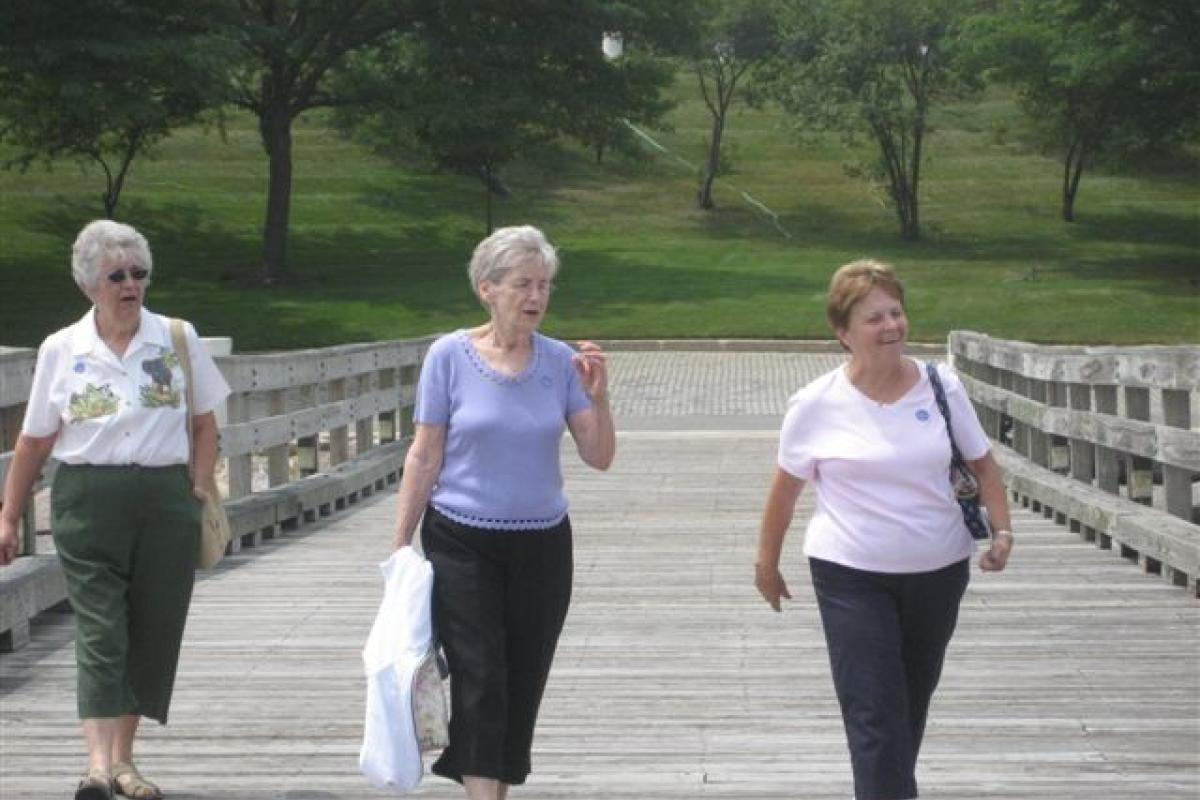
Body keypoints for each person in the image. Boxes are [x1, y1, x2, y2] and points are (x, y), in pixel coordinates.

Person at [754, 259, 1013, 800]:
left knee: (907, 711)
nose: (892, 325)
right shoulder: (815, 404)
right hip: (850, 574)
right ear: (843, 333)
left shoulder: (942, 386)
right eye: (875, 318)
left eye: (897, 312)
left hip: (939, 571)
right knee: (875, 716)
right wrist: (766, 564)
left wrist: (1002, 533)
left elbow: (983, 464)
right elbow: (785, 490)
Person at [0, 220, 230, 800]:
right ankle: (98, 767)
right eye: (117, 276)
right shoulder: (62, 348)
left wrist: (198, 489)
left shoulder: (176, 337)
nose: (131, 285)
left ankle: (125, 763)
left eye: (139, 273)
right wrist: (7, 514)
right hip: (88, 497)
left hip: (164, 497)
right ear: (89, 286)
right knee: (103, 630)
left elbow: (205, 424)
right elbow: (33, 441)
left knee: (151, 628)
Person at [390, 224, 615, 800]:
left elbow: (599, 456)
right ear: (487, 289)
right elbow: (425, 452)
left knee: (521, 679)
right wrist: (400, 543)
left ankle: (492, 789)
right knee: (481, 675)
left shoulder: (562, 362)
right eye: (523, 284)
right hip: (462, 539)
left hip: (542, 543)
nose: (536, 296)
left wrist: (599, 397)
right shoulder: (448, 356)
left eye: (544, 285)